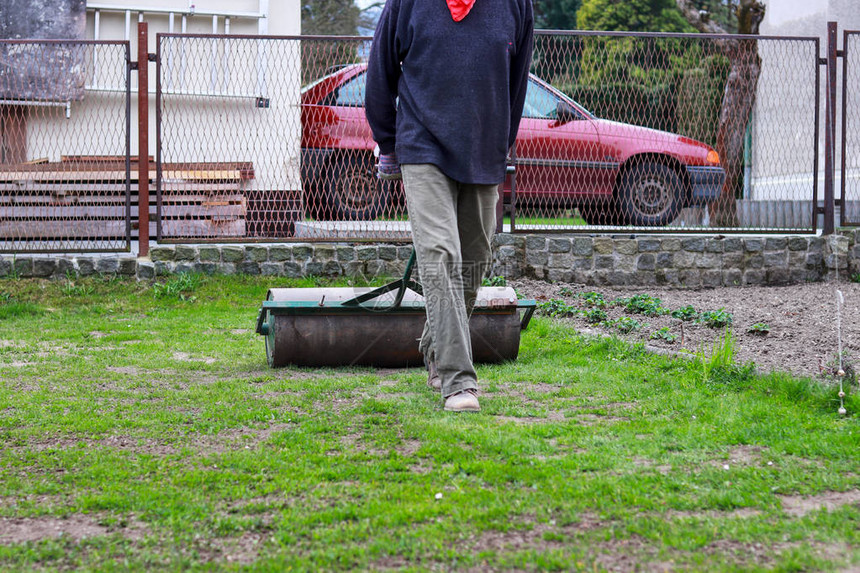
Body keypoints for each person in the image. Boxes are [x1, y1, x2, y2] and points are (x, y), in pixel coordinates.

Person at [365, 0, 534, 412]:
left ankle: (434, 347)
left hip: (484, 149)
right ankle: (458, 381)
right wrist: (389, 142)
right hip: (422, 146)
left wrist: (502, 144)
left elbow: (517, 81)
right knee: (440, 254)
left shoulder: (515, 4)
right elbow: (380, 72)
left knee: (474, 260)